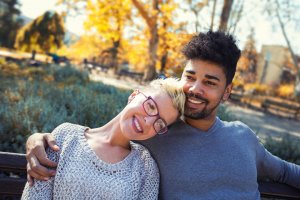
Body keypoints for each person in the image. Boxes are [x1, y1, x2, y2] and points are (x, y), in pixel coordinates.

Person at [25, 31, 300, 200]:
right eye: (190, 77)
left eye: (210, 82)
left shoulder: (243, 137)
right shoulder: (157, 131)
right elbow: (101, 138)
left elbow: (287, 172)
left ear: (227, 92)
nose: (195, 88)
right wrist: (37, 139)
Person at [21, 78, 186, 199]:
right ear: (134, 95)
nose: (149, 121)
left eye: (160, 123)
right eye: (151, 106)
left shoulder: (145, 167)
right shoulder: (65, 137)